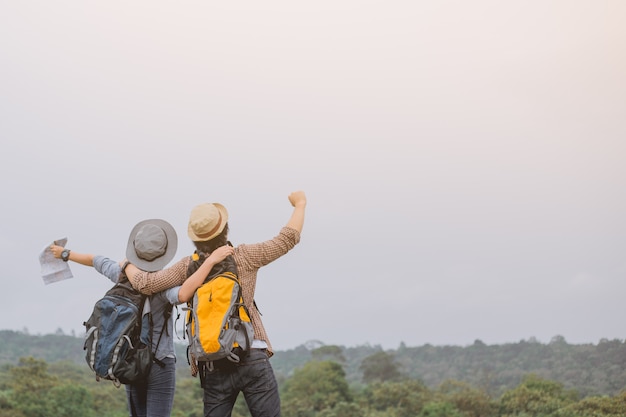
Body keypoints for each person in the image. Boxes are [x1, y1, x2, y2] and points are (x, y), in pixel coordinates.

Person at [123, 190, 307, 417]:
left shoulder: (187, 267)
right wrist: (300, 203)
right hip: (250, 356)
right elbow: (288, 238)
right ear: (225, 228)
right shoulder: (244, 256)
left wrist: (126, 264)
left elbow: (145, 283)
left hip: (212, 364)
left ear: (195, 237)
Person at [50, 219, 234, 417]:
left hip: (129, 360)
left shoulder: (122, 274)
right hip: (160, 363)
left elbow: (95, 259)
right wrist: (211, 261)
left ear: (135, 249)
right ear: (163, 254)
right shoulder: (162, 284)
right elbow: (183, 295)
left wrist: (64, 254)